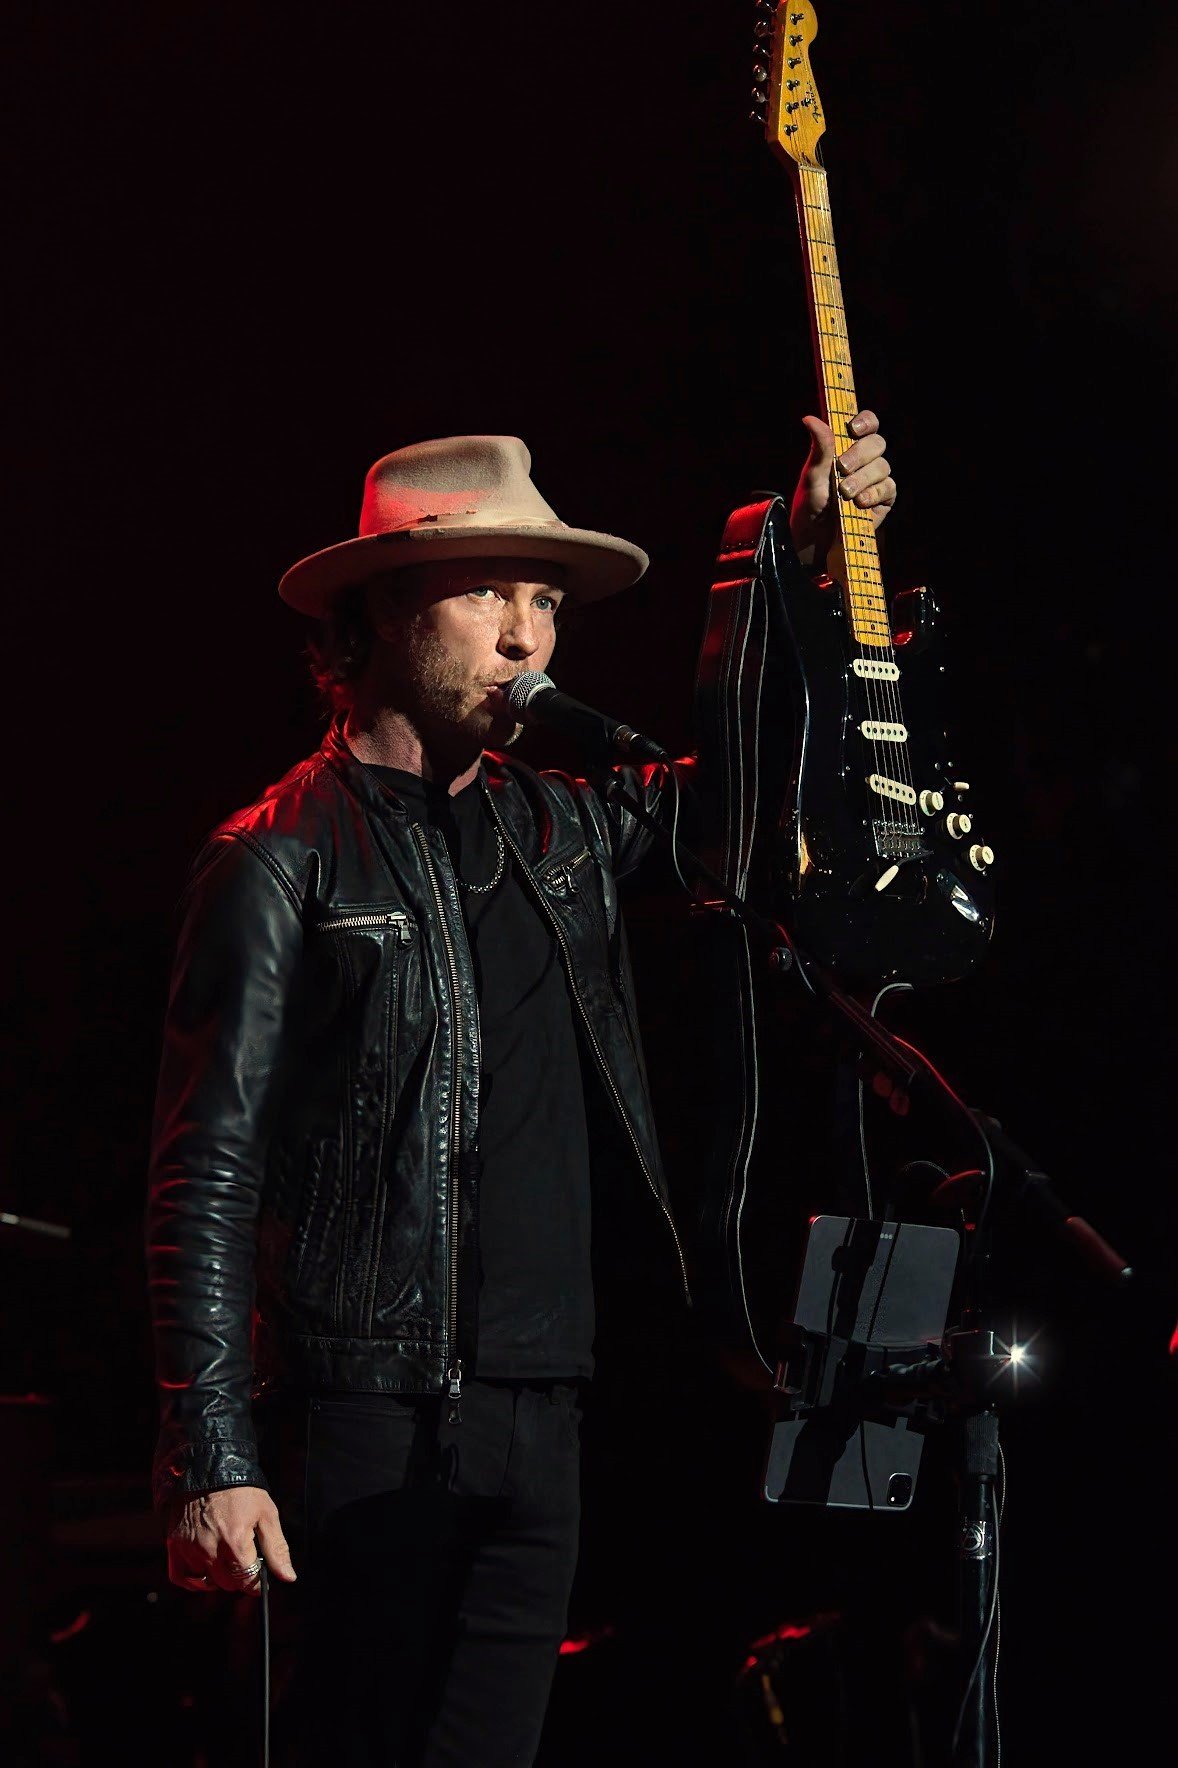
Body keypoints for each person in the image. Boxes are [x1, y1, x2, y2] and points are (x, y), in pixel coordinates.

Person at [146, 419, 895, 1766]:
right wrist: (212, 1451)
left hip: (543, 1407)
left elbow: (744, 794)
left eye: (544, 601)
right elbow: (205, 1171)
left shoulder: (564, 830)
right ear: (382, 613)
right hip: (362, 1416)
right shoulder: (276, 861)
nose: (525, 636)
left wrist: (793, 569)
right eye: (488, 592)